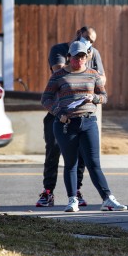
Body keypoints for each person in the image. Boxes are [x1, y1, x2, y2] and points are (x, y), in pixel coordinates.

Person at [41, 40, 127, 212]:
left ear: (87, 57)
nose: (79, 61)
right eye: (75, 57)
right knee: (71, 163)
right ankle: (73, 199)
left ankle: (107, 198)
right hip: (66, 123)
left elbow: (103, 96)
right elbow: (46, 99)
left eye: (82, 57)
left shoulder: (93, 74)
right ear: (69, 57)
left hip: (88, 121)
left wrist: (93, 98)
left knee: (93, 163)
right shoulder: (59, 76)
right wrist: (59, 113)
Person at [35, 42, 87, 207]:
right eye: (86, 38)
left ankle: (76, 191)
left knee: (80, 154)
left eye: (91, 41)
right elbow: (58, 69)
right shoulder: (59, 49)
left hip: (79, 115)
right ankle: (48, 191)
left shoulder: (93, 53)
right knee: (53, 151)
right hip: (56, 113)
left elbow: (99, 78)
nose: (88, 42)